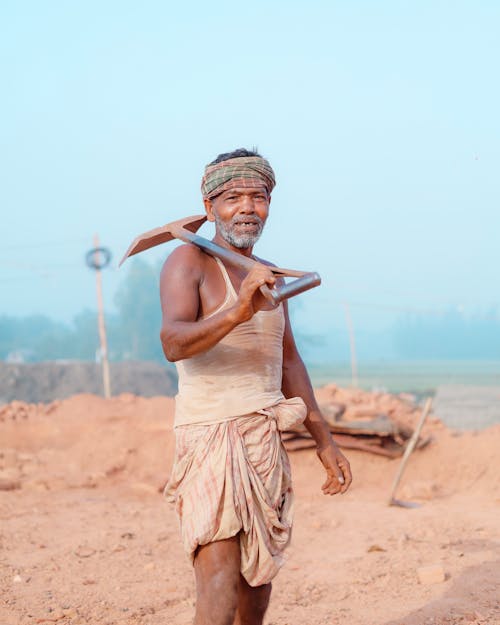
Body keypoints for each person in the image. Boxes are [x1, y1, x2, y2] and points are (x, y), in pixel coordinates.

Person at [160, 148, 352, 625]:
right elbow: (173, 342)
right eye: (232, 197)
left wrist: (324, 442)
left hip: (265, 439)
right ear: (209, 208)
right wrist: (237, 311)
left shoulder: (267, 274)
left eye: (258, 197)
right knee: (220, 577)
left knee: (257, 583)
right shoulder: (188, 261)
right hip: (210, 437)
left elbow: (289, 361)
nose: (247, 207)